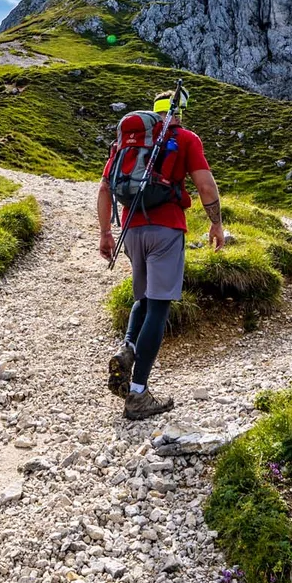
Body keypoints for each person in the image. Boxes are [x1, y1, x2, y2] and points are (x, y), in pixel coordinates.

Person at [96, 90, 224, 420]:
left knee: (143, 299)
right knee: (160, 304)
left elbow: (104, 189)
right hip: (166, 230)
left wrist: (105, 233)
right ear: (182, 111)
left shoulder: (128, 143)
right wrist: (216, 223)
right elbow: (206, 186)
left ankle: (129, 349)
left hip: (131, 230)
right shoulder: (185, 138)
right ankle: (138, 394)